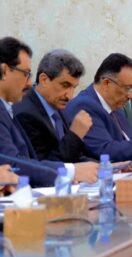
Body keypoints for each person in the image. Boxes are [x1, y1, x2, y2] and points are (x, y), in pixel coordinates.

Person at [0, 37, 98, 186]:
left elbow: (27, 162)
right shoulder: (23, 112)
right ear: (5, 71)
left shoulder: (9, 109)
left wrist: (104, 168)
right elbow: (12, 164)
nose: (29, 83)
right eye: (25, 74)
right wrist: (70, 171)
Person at [13, 49, 94, 162]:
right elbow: (43, 166)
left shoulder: (55, 104)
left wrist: (105, 167)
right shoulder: (25, 113)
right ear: (44, 80)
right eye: (65, 85)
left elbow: (74, 157)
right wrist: (75, 135)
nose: (70, 96)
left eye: (73, 87)